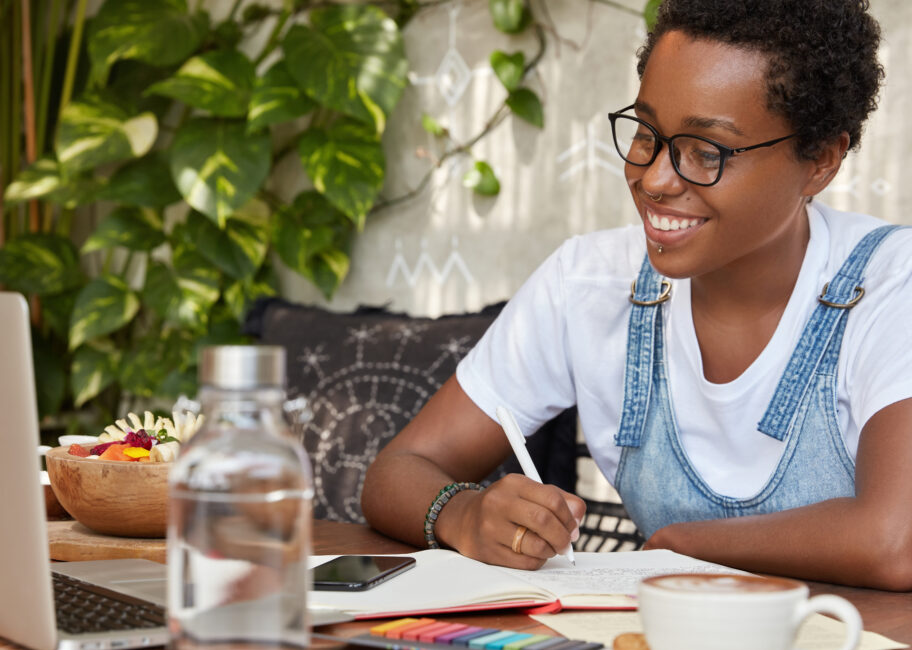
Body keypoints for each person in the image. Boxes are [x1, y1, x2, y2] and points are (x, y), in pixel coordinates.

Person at [361, 0, 912, 591]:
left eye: (707, 152)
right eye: (648, 134)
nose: (653, 178)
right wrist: (463, 513)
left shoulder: (888, 285)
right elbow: (396, 472)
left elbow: (894, 541)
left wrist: (682, 546)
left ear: (820, 162)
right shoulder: (589, 284)